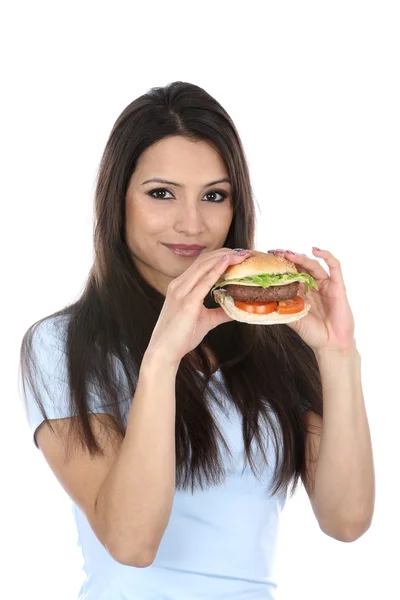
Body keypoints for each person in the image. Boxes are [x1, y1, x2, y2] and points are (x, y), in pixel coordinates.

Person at [19, 81, 375, 600]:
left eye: (215, 195)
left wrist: (338, 355)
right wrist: (162, 359)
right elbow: (132, 542)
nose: (192, 223)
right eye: (161, 193)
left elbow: (347, 520)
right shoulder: (62, 346)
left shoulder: (275, 338)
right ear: (117, 200)